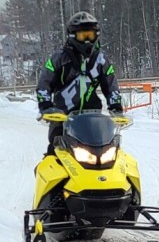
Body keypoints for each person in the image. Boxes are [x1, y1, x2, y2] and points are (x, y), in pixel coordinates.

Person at [36, 11, 124, 154]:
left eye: (90, 36)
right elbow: (44, 83)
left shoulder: (101, 60)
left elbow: (111, 84)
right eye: (83, 36)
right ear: (72, 36)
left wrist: (116, 106)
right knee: (55, 151)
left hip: (93, 117)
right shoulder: (59, 59)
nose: (87, 41)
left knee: (107, 150)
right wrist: (45, 105)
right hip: (62, 117)